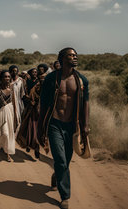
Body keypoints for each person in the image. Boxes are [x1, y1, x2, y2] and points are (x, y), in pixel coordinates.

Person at [37, 48, 90, 209]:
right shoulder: (52, 79)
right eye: (70, 55)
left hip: (72, 125)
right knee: (60, 159)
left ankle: (57, 175)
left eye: (75, 55)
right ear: (61, 59)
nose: (74, 58)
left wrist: (85, 124)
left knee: (65, 161)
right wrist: (41, 127)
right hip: (54, 123)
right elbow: (44, 104)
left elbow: (86, 103)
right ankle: (65, 196)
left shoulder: (81, 80)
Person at [0, 70, 21, 162]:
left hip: (11, 112)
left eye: (8, 77)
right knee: (5, 133)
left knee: (10, 133)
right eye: (5, 77)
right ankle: (2, 145)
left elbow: (16, 102)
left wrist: (17, 115)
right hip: (1, 112)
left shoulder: (13, 88)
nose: (7, 78)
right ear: (1, 78)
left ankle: (8, 153)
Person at [17, 69, 42, 159]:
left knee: (37, 130)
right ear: (30, 74)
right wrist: (29, 101)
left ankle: (37, 148)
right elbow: (23, 95)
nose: (34, 73)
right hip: (29, 109)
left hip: (38, 110)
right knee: (28, 128)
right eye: (33, 72)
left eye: (36, 72)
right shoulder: (26, 83)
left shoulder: (40, 83)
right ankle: (27, 144)